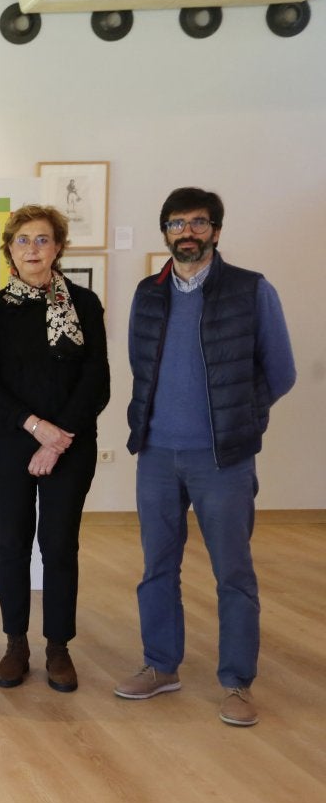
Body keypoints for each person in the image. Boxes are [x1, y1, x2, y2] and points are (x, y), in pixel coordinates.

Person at [116, 187, 295, 727]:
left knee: (233, 573)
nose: (186, 232)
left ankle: (237, 683)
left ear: (216, 231)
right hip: (156, 454)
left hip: (224, 459)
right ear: (165, 232)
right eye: (176, 223)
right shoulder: (148, 293)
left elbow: (280, 372)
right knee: (156, 568)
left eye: (198, 222)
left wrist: (242, 415)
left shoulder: (251, 290)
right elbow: (139, 367)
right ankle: (160, 665)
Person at [0, 205, 110, 692]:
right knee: (12, 543)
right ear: (10, 250)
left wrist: (57, 438)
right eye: (24, 240)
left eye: (43, 239)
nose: (33, 248)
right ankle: (15, 644)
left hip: (70, 447)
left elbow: (97, 383)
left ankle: (57, 647)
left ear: (58, 247)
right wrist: (35, 428)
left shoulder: (85, 305)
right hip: (8, 444)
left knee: (59, 546)